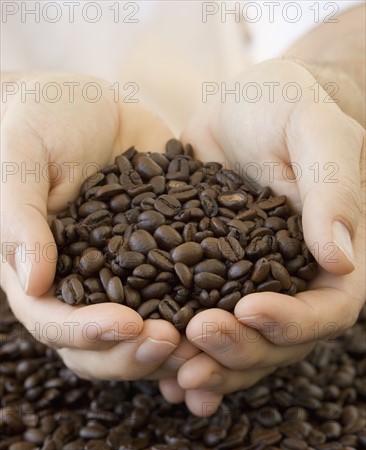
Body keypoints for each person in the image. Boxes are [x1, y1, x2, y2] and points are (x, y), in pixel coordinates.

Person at [1, 1, 365, 416]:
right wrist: (11, 104)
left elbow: (346, 18)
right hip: (50, 187)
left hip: (258, 145)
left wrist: (328, 92)